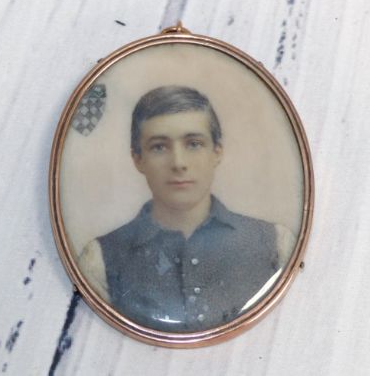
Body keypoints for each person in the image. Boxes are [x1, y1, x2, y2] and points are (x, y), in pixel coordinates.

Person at [79, 86, 295, 332]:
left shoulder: (276, 244)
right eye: (159, 147)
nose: (179, 163)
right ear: (138, 159)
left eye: (193, 144)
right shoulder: (99, 260)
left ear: (217, 152)